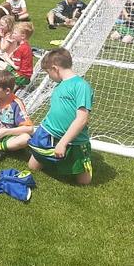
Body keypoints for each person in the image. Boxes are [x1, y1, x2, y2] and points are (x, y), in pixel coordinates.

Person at [27, 48, 93, 185]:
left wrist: (63, 143)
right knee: (32, 167)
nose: (49, 77)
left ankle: (69, 158)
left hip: (74, 141)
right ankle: (51, 157)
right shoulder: (59, 85)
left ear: (55, 68)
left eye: (48, 73)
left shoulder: (81, 86)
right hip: (48, 133)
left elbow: (82, 119)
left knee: (84, 182)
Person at [0, 22, 34, 88]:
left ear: (23, 36)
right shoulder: (26, 46)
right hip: (26, 77)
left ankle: (9, 83)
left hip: (20, 77)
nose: (13, 35)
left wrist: (6, 58)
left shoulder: (21, 49)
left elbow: (16, 67)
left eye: (15, 33)